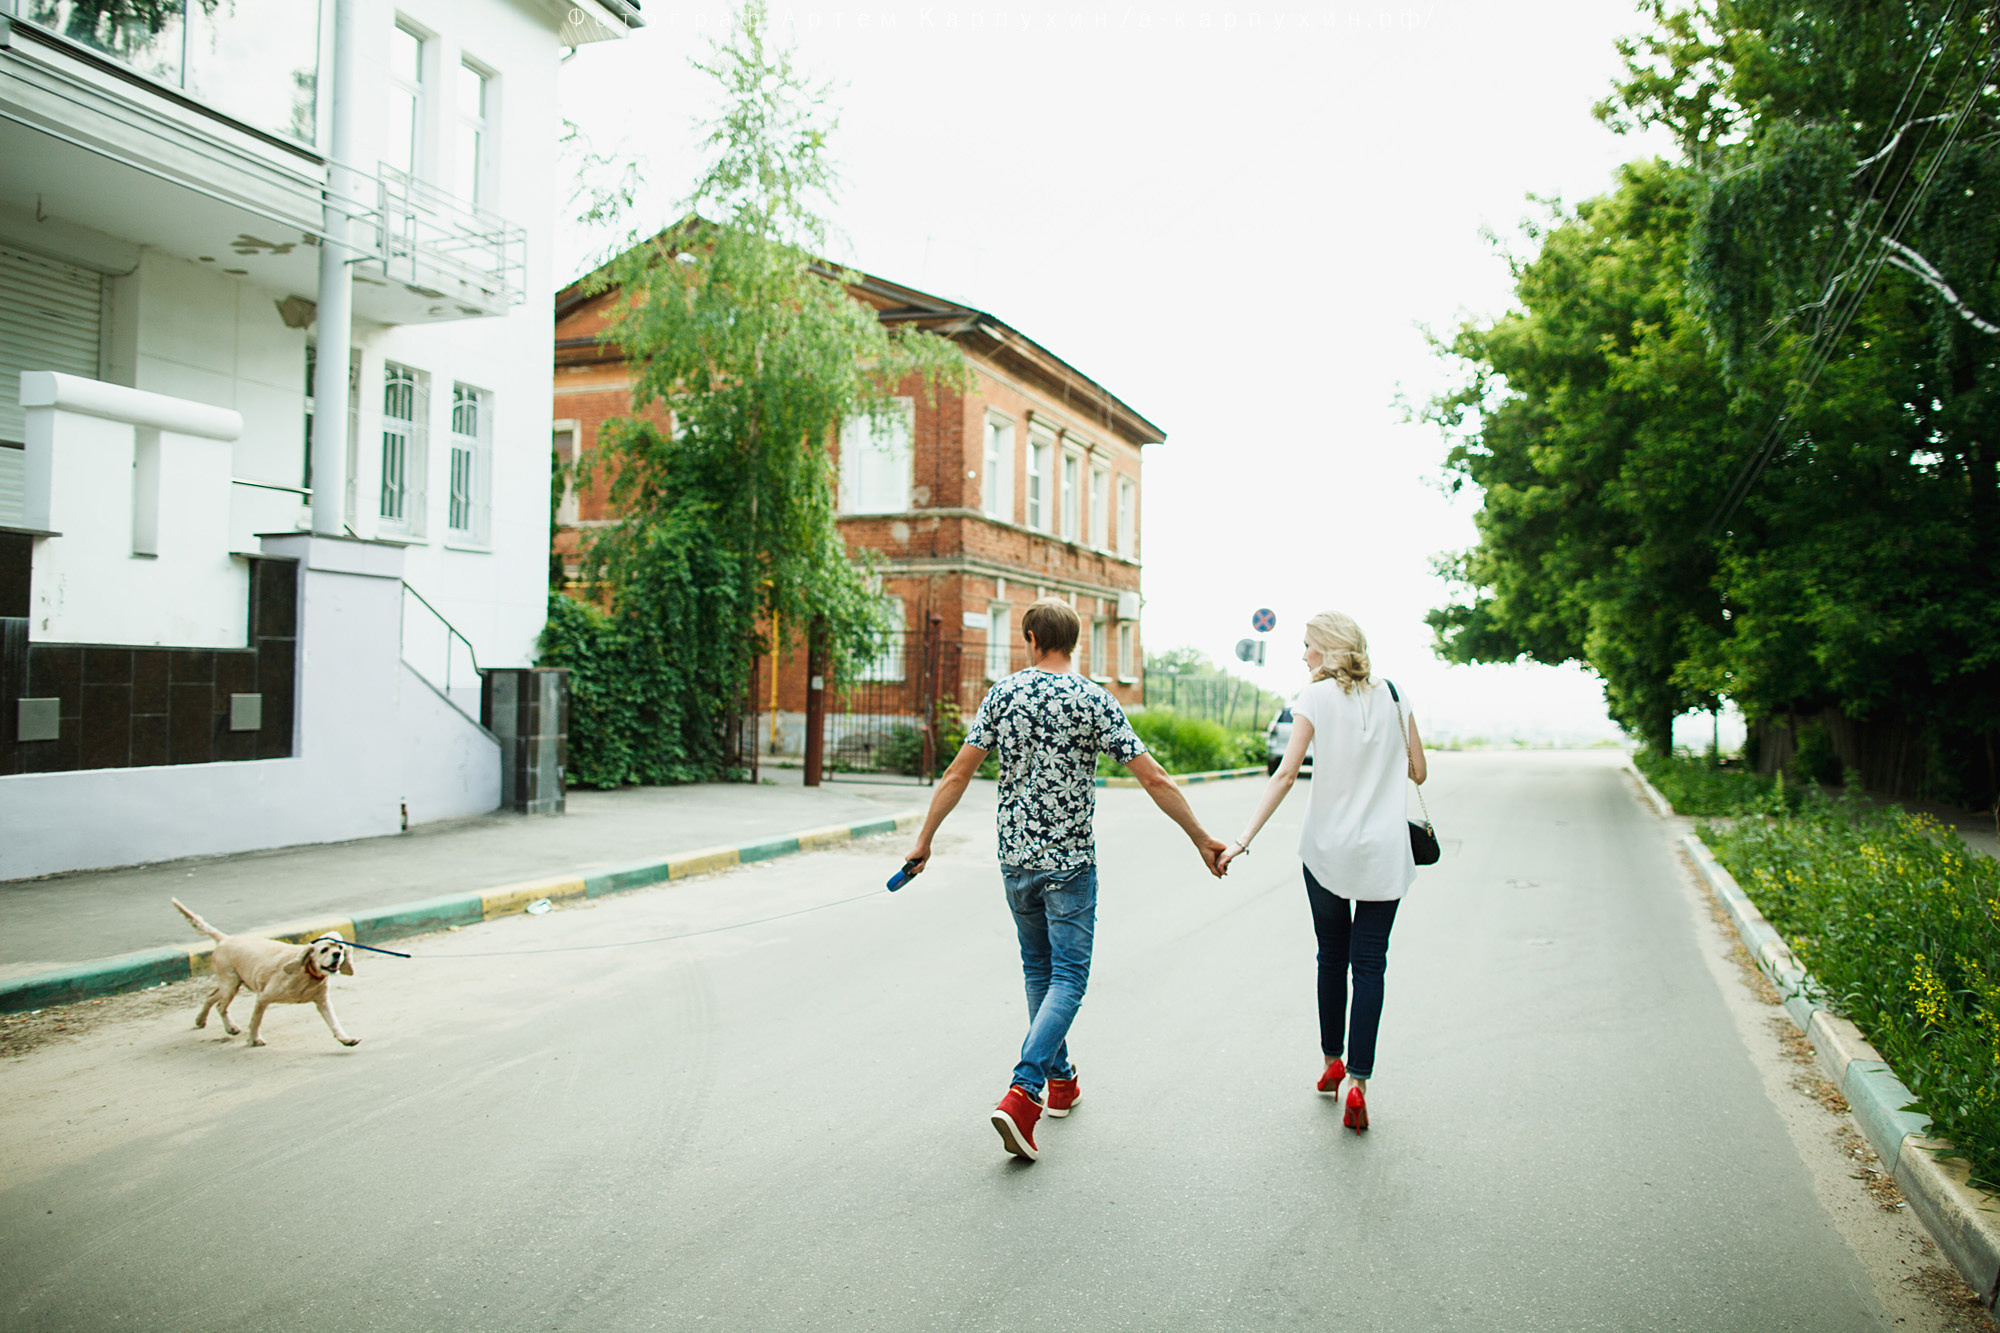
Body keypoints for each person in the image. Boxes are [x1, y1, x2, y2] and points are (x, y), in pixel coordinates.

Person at [901, 597, 1228, 1161]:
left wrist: (923, 840)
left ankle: (1062, 1082)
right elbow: (1153, 779)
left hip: (1015, 860)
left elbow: (958, 772)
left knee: (1039, 970)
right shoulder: (1094, 699)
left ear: (1030, 638)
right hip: (1071, 862)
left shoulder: (1004, 694)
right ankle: (1025, 1090)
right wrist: (1201, 837)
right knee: (1069, 977)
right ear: (1074, 644)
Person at [1217, 610, 1428, 1134]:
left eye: (1308, 644)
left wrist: (1244, 839)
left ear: (1328, 650)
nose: (1303, 653)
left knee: (1331, 957)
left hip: (1327, 852)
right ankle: (1359, 1082)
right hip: (1384, 852)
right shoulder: (1396, 695)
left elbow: (1287, 774)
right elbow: (1418, 771)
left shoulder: (1311, 699)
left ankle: (1332, 1061)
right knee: (1370, 964)